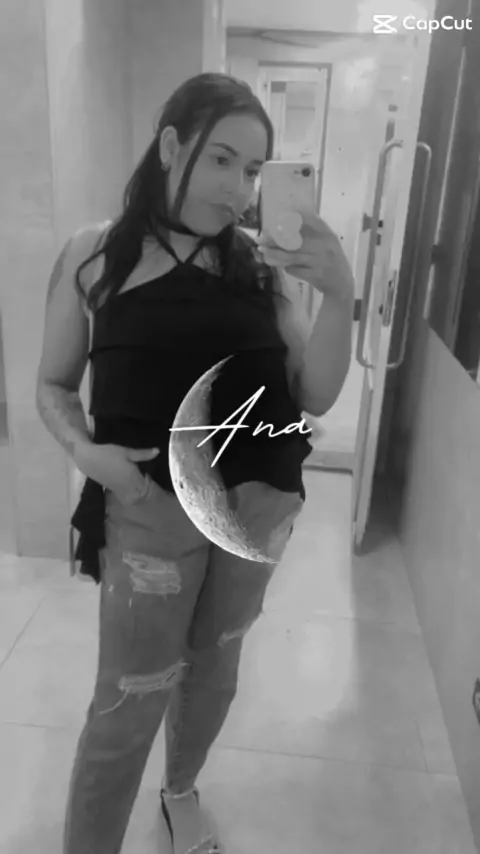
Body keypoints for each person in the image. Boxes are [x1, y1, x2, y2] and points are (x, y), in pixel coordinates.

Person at [36, 72, 354, 854]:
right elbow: (51, 385)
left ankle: (180, 792)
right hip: (148, 506)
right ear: (171, 146)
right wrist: (86, 455)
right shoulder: (94, 254)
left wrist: (341, 296)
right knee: (129, 698)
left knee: (214, 668)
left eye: (253, 169)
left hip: (257, 508)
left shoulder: (256, 265)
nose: (238, 187)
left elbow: (316, 392)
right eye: (221, 159)